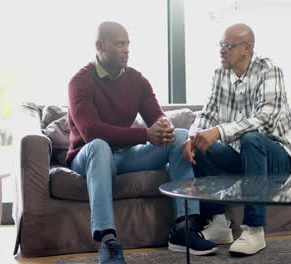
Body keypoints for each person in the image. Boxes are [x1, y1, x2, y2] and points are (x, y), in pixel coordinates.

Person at [66, 21, 217, 264]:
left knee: (178, 135)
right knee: (99, 146)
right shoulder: (80, 81)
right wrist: (145, 135)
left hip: (125, 156)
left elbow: (156, 115)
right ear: (99, 46)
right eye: (119, 44)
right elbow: (91, 132)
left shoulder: (137, 80)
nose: (126, 49)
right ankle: (108, 240)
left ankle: (183, 228)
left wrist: (163, 125)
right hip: (88, 158)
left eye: (127, 43)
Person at [183, 23, 291, 256]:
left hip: (278, 157)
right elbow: (207, 114)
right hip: (244, 156)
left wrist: (218, 132)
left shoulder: (270, 70)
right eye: (220, 45)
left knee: (251, 138)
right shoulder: (220, 74)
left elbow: (265, 119)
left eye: (227, 46)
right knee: (201, 146)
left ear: (246, 49)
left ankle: (254, 230)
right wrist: (193, 136)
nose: (221, 50)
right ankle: (218, 224)